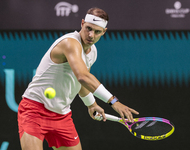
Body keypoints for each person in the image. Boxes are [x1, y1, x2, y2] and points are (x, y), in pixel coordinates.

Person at [18, 7, 139, 150]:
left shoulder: (92, 52)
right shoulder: (70, 43)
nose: (91, 35)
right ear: (82, 23)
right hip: (34, 110)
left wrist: (91, 104)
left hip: (62, 115)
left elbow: (79, 82)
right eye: (88, 28)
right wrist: (113, 102)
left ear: (104, 32)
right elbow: (83, 77)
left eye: (97, 31)